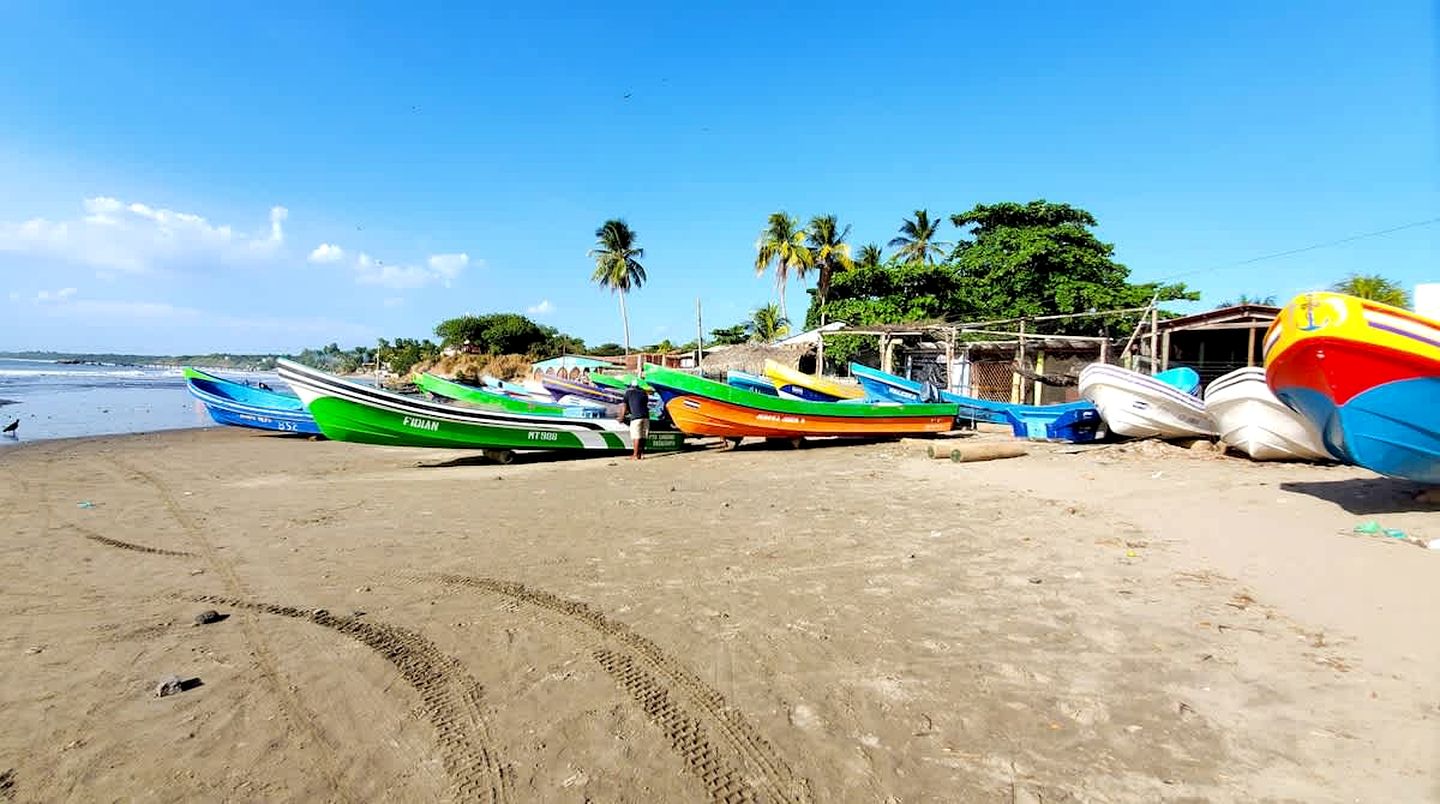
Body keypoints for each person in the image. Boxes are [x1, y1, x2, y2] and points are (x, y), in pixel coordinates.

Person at [621, 378, 650, 460]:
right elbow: (644, 404)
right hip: (646, 417)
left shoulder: (628, 393)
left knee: (636, 436)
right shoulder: (644, 392)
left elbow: (624, 406)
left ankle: (635, 455)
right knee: (643, 436)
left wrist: (622, 417)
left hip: (636, 417)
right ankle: (641, 454)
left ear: (631, 386)